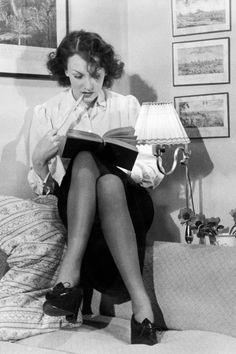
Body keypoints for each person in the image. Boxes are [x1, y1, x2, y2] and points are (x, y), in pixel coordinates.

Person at [28, 30, 163, 345]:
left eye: (96, 75)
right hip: (77, 206)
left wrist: (132, 169)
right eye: (78, 76)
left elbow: (153, 171)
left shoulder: (127, 106)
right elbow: (41, 191)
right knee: (91, 165)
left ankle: (68, 279)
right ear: (65, 72)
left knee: (111, 180)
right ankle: (142, 308)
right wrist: (37, 162)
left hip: (129, 201)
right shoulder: (48, 113)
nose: (88, 85)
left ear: (107, 70)